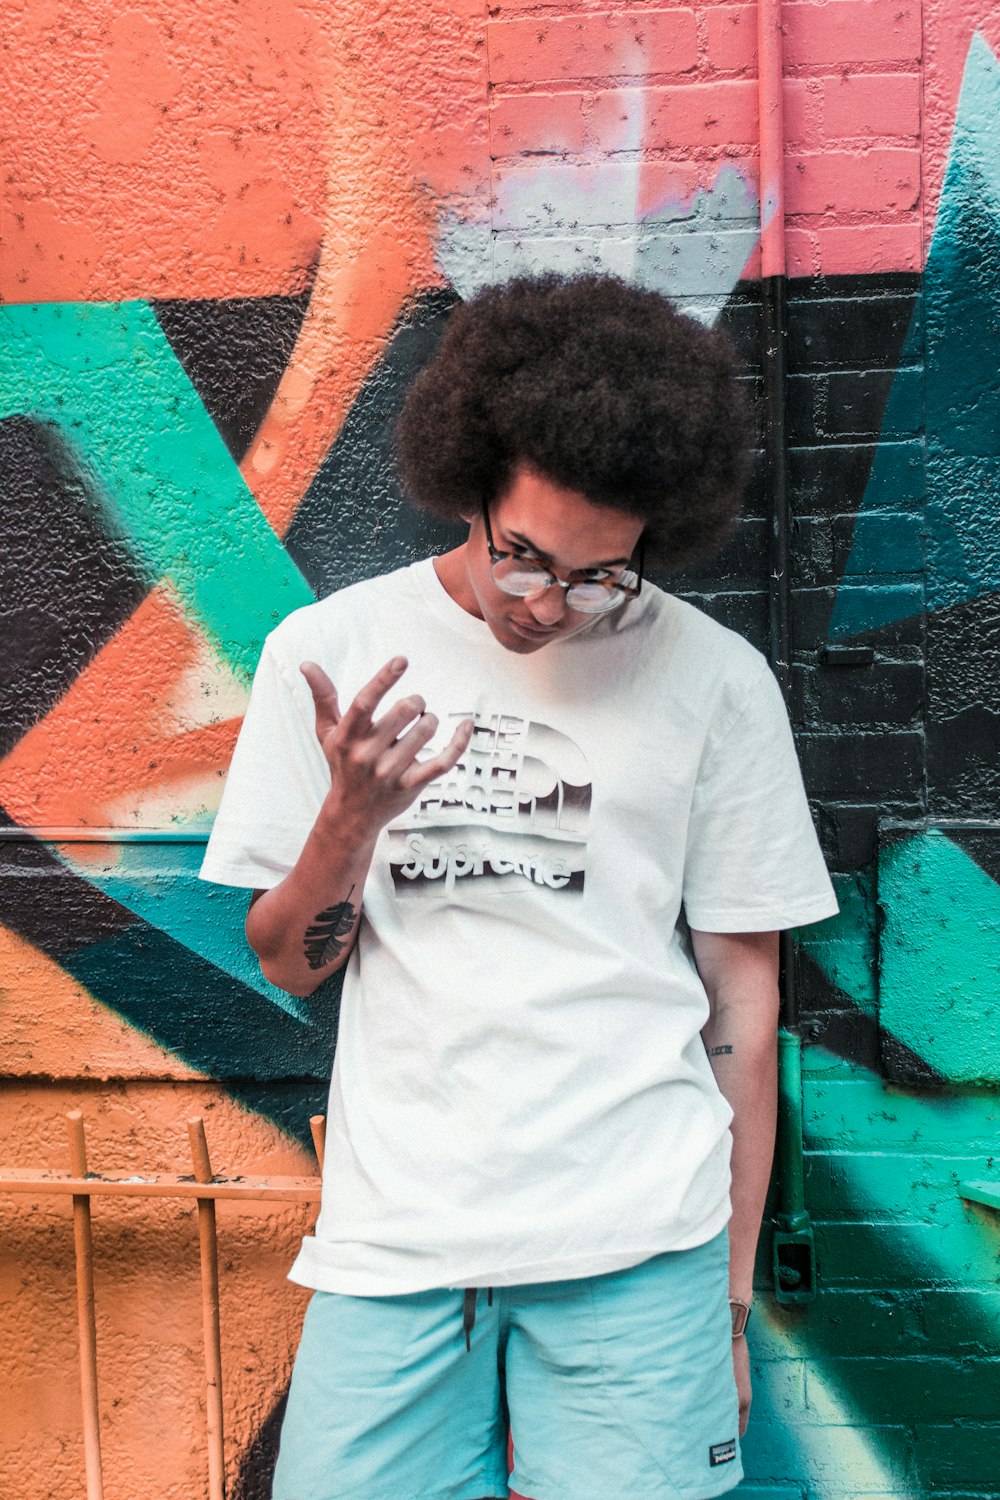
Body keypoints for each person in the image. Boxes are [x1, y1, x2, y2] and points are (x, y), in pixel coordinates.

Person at [200, 272, 838, 1500]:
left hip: (644, 1247)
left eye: (599, 576)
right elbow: (288, 960)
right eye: (524, 558)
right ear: (472, 483)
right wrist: (348, 821)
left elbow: (741, 1016)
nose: (547, 604)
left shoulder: (716, 682)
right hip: (399, 1245)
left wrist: (730, 1287)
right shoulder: (328, 657)